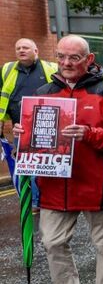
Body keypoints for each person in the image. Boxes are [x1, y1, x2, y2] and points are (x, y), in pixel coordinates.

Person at [12, 35, 103, 284]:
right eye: (62, 56)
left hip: (100, 183)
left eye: (74, 58)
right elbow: (34, 139)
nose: (66, 63)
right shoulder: (43, 92)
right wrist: (21, 133)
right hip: (56, 184)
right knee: (52, 242)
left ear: (88, 60)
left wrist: (91, 134)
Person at [2, 39, 59, 210]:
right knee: (28, 166)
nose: (21, 50)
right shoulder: (7, 69)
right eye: (18, 48)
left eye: (25, 47)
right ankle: (35, 201)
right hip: (21, 129)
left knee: (49, 166)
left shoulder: (51, 68)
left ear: (36, 51)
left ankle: (50, 199)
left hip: (48, 126)